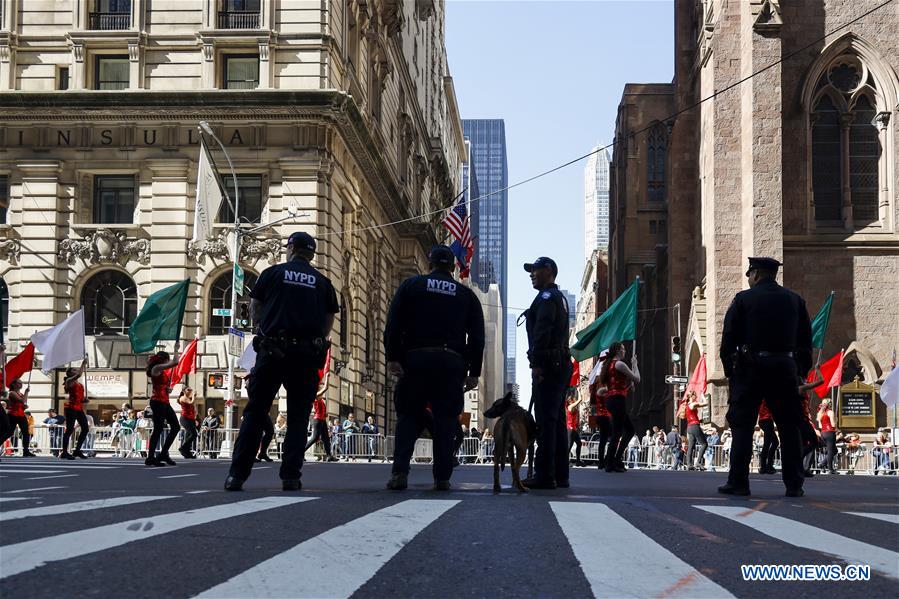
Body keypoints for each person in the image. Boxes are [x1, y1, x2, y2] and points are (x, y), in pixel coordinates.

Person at [225, 231, 339, 491]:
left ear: (290, 249)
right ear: (311, 254)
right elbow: (328, 321)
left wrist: (261, 329)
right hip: (306, 356)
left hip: (272, 351)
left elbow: (255, 306)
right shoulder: (323, 283)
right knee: (298, 418)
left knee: (255, 413)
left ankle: (236, 476)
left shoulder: (272, 274)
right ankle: (291, 476)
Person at [384, 245, 485, 491]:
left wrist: (393, 357)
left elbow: (393, 323)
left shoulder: (412, 286)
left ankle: (399, 473)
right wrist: (474, 372)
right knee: (446, 420)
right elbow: (478, 336)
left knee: (408, 416)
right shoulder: (465, 295)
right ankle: (442, 478)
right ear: (452, 268)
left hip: (415, 360)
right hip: (450, 363)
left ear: (429, 264)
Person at [719, 257, 812, 498]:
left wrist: (732, 373)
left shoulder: (743, 299)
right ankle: (794, 484)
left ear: (757, 274)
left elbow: (728, 339)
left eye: (749, 274)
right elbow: (805, 341)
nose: (748, 279)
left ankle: (739, 482)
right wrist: (800, 371)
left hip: (751, 369)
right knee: (789, 426)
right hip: (784, 366)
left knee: (743, 426)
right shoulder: (795, 300)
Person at [520, 256, 572, 489]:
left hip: (549, 364)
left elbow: (542, 331)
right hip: (559, 362)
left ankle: (544, 475)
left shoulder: (547, 297)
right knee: (557, 421)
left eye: (536, 270)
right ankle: (560, 474)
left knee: (546, 421)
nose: (532, 274)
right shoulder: (558, 298)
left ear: (548, 271)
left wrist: (537, 364)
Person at [600, 342, 640, 473]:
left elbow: (612, 386)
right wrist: (634, 364)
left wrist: (627, 386)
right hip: (618, 401)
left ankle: (614, 459)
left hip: (612, 400)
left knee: (629, 430)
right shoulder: (620, 364)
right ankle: (611, 461)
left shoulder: (609, 364)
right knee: (618, 432)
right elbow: (637, 378)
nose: (625, 351)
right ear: (617, 350)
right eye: (623, 349)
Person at [146, 351, 181, 467]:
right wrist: (176, 349)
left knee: (175, 427)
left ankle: (163, 453)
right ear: (163, 360)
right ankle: (150, 457)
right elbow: (175, 362)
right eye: (167, 359)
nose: (167, 361)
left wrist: (167, 389)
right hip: (157, 401)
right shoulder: (156, 368)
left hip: (164, 401)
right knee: (158, 429)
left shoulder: (160, 370)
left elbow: (161, 385)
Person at [61, 358, 89, 460]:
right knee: (69, 430)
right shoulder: (69, 381)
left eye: (75, 370)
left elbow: (79, 398)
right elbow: (79, 375)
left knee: (85, 428)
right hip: (71, 408)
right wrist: (83, 364)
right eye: (73, 370)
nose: (76, 371)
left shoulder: (80, 384)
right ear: (69, 373)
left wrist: (84, 400)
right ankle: (64, 452)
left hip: (78, 408)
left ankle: (77, 450)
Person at [0, 379, 36, 457]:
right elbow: (22, 401)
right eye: (19, 383)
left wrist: (24, 406)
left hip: (21, 415)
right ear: (14, 384)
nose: (21, 384)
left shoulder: (21, 393)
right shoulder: (12, 393)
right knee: (9, 432)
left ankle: (26, 451)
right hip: (13, 415)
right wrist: (26, 392)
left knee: (26, 432)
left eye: (21, 383)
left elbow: (23, 403)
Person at [305, 372, 334, 461]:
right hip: (317, 420)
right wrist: (327, 377)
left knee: (326, 438)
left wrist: (325, 414)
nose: (321, 387)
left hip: (322, 420)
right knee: (315, 438)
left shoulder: (320, 399)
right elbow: (326, 387)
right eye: (319, 387)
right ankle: (300, 452)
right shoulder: (315, 395)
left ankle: (329, 456)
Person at [682, 390, 709, 471]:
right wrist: (702, 396)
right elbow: (705, 403)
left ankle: (689, 464)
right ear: (691, 396)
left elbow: (692, 416)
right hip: (694, 426)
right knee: (704, 444)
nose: (696, 397)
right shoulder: (693, 404)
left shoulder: (687, 405)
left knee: (691, 446)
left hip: (690, 427)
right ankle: (698, 462)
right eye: (695, 395)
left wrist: (699, 420)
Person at [756, 399, 779, 474]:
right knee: (773, 443)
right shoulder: (767, 397)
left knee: (769, 443)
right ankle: (767, 466)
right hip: (766, 420)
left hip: (765, 420)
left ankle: (765, 466)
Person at [817, 398, 837, 474]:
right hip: (830, 432)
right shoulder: (830, 412)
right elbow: (833, 425)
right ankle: (830, 469)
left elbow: (820, 426)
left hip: (823, 433)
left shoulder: (820, 413)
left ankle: (822, 464)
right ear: (830, 404)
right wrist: (835, 420)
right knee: (831, 451)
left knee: (834, 450)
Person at [177, 387, 198, 459]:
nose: (190, 391)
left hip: (191, 419)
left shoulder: (189, 398)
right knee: (193, 434)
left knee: (189, 435)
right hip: (185, 418)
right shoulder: (183, 398)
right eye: (188, 390)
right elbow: (190, 403)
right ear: (183, 391)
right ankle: (182, 448)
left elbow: (193, 406)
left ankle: (187, 453)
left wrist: (195, 415)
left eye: (191, 390)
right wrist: (193, 396)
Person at [566, 391, 585, 467]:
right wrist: (579, 390)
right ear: (571, 401)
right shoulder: (570, 407)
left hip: (574, 429)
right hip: (570, 429)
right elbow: (580, 400)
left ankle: (578, 461)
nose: (575, 399)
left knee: (579, 444)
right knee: (569, 446)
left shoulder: (573, 408)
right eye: (573, 399)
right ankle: (564, 462)